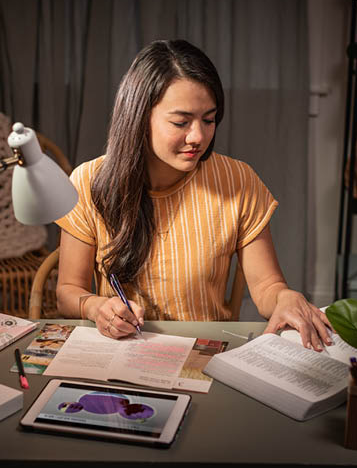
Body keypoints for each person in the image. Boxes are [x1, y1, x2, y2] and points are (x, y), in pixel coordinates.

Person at [55, 39, 333, 351]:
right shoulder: (89, 181)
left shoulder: (238, 181)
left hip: (204, 351)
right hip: (121, 351)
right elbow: (68, 290)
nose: (198, 137)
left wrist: (285, 297)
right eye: (181, 122)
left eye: (209, 119)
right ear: (139, 118)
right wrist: (95, 307)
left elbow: (267, 286)